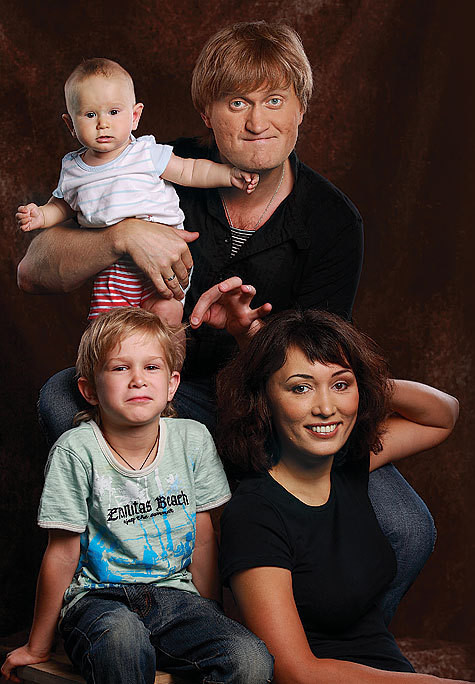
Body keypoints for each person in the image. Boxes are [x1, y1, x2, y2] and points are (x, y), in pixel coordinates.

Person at [18, 21, 433, 626]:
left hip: (272, 413)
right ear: (207, 115)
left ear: (301, 109)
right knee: (62, 395)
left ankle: (312, 644)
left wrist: (251, 340)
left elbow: (317, 369)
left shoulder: (333, 221)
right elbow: (33, 270)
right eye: (237, 103)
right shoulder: (149, 163)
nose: (258, 122)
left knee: (407, 527)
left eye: (275, 100)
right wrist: (121, 236)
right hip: (169, 395)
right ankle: (146, 591)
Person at [0, 308, 273, 684]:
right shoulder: (75, 451)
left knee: (250, 659)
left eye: (152, 367)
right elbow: (62, 553)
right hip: (99, 602)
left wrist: (209, 614)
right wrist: (38, 646)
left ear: (172, 384)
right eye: (120, 368)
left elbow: (203, 538)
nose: (138, 380)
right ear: (90, 391)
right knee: (123, 640)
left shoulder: (193, 440)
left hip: (176, 598)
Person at [217, 308, 467, 683]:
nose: (326, 408)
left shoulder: (348, 465)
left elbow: (443, 415)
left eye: (340, 385)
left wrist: (366, 383)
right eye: (300, 388)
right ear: (263, 398)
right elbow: (296, 672)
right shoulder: (254, 514)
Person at [16, 58, 258, 325]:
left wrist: (228, 175)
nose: (103, 123)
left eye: (113, 112)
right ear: (70, 124)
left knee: (166, 321)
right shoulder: (74, 169)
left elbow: (190, 171)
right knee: (108, 331)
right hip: (114, 271)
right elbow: (64, 206)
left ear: (135, 116)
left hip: (166, 261)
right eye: (90, 115)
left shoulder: (145, 153)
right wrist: (41, 215)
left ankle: (171, 352)